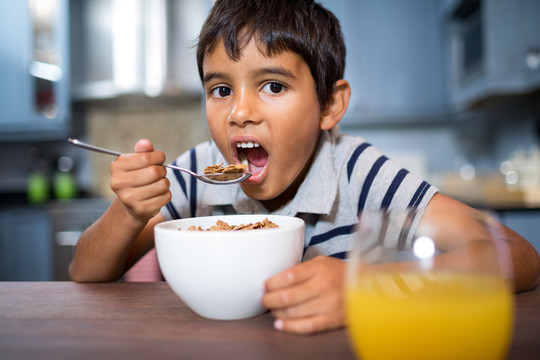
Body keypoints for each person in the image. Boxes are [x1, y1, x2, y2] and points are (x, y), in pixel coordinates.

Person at [69, 0, 540, 335]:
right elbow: (85, 272)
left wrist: (366, 289)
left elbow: (514, 255)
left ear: (330, 105)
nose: (239, 113)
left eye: (272, 86)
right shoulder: (199, 172)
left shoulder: (357, 172)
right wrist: (126, 213)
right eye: (220, 89)